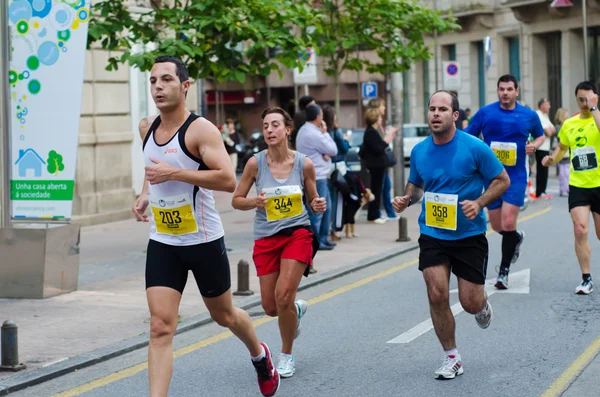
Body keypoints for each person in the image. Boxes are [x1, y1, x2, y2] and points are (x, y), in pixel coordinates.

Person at [132, 56, 279, 397]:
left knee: (225, 315)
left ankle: (260, 355)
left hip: (203, 240)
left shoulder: (201, 130)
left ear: (185, 86)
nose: (158, 86)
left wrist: (174, 174)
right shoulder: (146, 127)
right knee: (160, 327)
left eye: (166, 79)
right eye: (153, 80)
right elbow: (152, 165)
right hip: (164, 241)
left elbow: (228, 179)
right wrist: (144, 194)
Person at [393, 90, 510, 380]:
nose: (435, 113)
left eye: (442, 109)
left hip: (469, 235)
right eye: (432, 108)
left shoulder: (475, 147)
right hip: (432, 233)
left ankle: (481, 304)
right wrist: (406, 200)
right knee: (437, 293)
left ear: (455, 115)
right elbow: (417, 188)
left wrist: (480, 202)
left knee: (469, 302)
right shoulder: (420, 150)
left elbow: (502, 179)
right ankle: (451, 357)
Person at [232, 107, 326, 377]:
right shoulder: (255, 163)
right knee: (271, 307)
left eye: (275, 125)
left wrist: (317, 204)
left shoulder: (303, 164)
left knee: (283, 295)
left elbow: (313, 199)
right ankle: (295, 311)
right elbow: (236, 200)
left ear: (287, 129)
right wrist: (254, 201)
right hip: (266, 237)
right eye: (265, 126)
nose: (269, 130)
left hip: (297, 233)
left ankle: (286, 355)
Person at [465, 74, 545, 289]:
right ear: (498, 91)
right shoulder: (485, 113)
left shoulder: (528, 115)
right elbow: (468, 136)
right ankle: (516, 238)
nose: (505, 93)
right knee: (499, 225)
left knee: (508, 222)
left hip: (516, 177)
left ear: (516, 91)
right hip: (491, 177)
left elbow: (540, 135)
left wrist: (534, 146)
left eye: (509, 89)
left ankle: (503, 272)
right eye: (501, 89)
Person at [542, 81, 600, 295]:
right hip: (579, 185)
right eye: (581, 99)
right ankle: (586, 278)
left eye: (589, 99)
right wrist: (551, 160)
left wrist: (594, 109)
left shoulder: (598, 117)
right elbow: (562, 148)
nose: (584, 103)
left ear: (595, 98)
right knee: (579, 229)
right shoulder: (569, 124)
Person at [295, 104, 338, 250]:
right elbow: (333, 149)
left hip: (316, 175)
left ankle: (323, 239)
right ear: (318, 117)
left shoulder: (304, 130)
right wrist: (325, 133)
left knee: (325, 209)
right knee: (318, 211)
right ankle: (317, 241)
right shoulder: (314, 133)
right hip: (318, 177)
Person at [361, 107, 396, 224]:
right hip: (375, 166)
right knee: (376, 190)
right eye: (379, 117)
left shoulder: (372, 132)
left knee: (378, 189)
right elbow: (377, 149)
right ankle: (373, 215)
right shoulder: (371, 132)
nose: (381, 119)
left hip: (377, 165)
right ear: (375, 119)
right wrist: (386, 141)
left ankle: (374, 214)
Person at [367, 97, 399, 221]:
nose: (384, 108)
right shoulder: (373, 128)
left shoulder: (379, 125)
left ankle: (388, 213)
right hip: (378, 163)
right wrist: (388, 137)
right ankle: (380, 214)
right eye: (382, 106)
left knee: (385, 187)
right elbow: (378, 145)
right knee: (380, 188)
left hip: (382, 162)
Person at [322, 104, 350, 239]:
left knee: (327, 199)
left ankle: (326, 228)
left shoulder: (321, 131)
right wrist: (347, 141)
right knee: (337, 199)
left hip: (325, 168)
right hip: (337, 167)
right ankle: (335, 230)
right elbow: (344, 149)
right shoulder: (336, 131)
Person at [534, 98, 557, 199]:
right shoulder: (538, 115)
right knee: (541, 169)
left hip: (546, 146)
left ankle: (543, 190)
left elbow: (553, 130)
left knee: (545, 169)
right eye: (547, 104)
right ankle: (539, 192)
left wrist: (549, 130)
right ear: (541, 105)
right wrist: (549, 130)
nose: (549, 107)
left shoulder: (545, 116)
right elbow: (548, 132)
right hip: (540, 146)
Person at [553, 108, 571, 196]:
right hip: (561, 152)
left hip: (566, 152)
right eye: (566, 115)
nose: (568, 117)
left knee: (567, 171)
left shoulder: (565, 126)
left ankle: (566, 188)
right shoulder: (559, 127)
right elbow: (562, 139)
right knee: (563, 172)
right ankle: (563, 189)